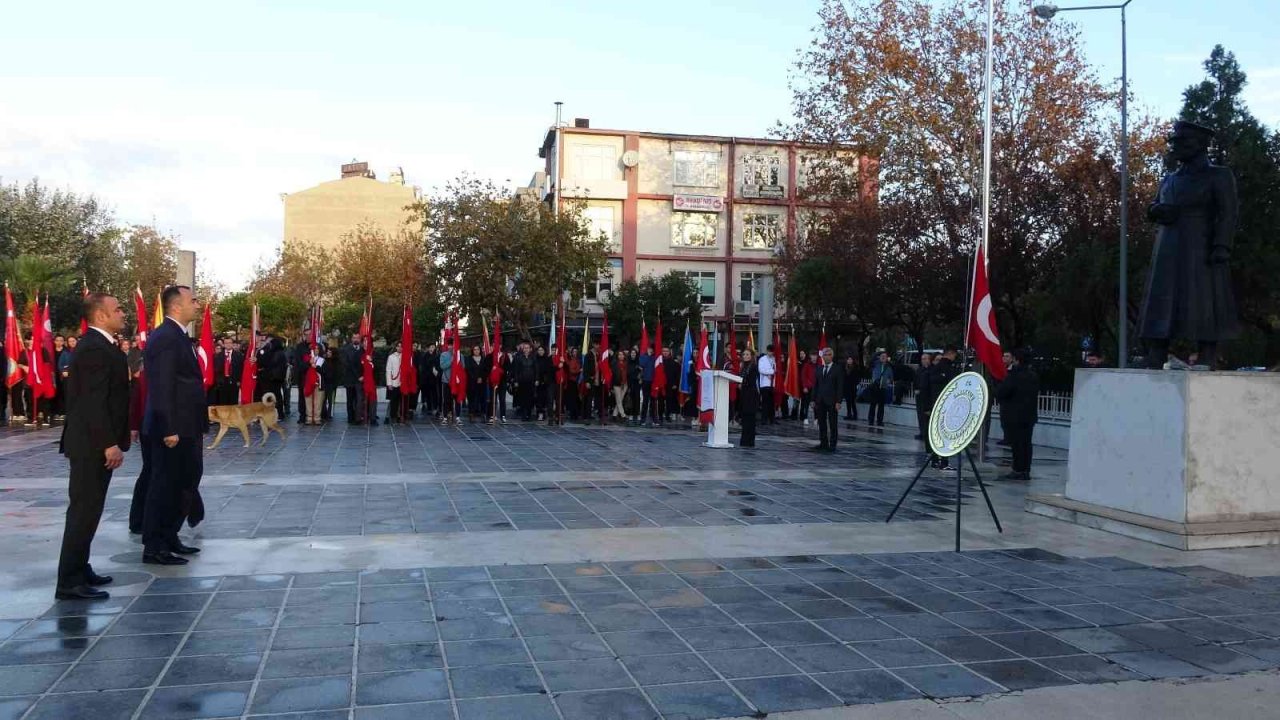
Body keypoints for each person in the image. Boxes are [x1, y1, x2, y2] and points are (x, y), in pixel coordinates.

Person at [54, 292, 130, 600]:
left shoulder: (101, 345)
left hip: (94, 443)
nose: (123, 314)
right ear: (100, 316)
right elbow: (93, 402)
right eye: (118, 309)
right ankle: (69, 581)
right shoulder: (93, 348)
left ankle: (79, 567)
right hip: (90, 445)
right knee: (83, 511)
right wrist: (108, 443)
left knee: (91, 510)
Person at [140, 285, 206, 566]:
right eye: (193, 300)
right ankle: (154, 545)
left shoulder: (178, 336)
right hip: (173, 428)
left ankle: (169, 536)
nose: (198, 305)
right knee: (164, 485)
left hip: (187, 425)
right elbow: (162, 386)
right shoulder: (166, 337)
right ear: (176, 306)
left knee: (185, 481)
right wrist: (169, 428)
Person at [997, 348, 1040, 481]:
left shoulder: (1014, 375)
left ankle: (1018, 469)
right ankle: (1026, 470)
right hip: (1029, 416)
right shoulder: (1033, 375)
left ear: (1016, 359)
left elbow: (1003, 392)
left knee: (1017, 444)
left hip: (1014, 416)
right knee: (1026, 443)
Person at [926, 346, 959, 469]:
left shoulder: (936, 368)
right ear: (950, 354)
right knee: (944, 434)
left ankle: (936, 460)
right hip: (945, 404)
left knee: (937, 433)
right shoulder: (947, 367)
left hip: (936, 403)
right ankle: (943, 461)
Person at [812, 347, 845, 452]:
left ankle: (833, 444)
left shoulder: (837, 369)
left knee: (833, 423)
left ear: (832, 356)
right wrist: (813, 399)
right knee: (821, 423)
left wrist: (838, 401)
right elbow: (815, 385)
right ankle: (823, 443)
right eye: (825, 355)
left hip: (832, 401)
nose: (827, 357)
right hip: (820, 400)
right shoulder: (819, 368)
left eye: (829, 354)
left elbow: (840, 386)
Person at [738, 349, 760, 448]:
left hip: (751, 396)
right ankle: (744, 440)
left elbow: (751, 382)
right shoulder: (743, 367)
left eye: (747, 354)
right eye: (744, 354)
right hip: (744, 395)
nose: (745, 356)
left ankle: (749, 441)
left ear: (751, 356)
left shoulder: (753, 367)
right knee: (745, 418)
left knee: (750, 419)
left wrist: (742, 384)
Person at [212, 336, 243, 406]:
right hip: (222, 382)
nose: (228, 344)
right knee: (223, 402)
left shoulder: (239, 355)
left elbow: (241, 369)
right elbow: (216, 369)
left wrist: (239, 380)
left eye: (230, 343)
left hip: (234, 382)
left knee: (233, 402)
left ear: (232, 344)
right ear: (223, 344)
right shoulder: (218, 355)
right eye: (226, 343)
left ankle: (233, 417)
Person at [866, 351, 892, 429]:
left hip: (883, 387)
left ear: (887, 358)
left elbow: (891, 377)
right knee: (873, 404)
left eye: (885, 356)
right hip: (875, 387)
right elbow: (871, 360)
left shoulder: (889, 367)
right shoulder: (875, 364)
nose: (883, 357)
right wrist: (879, 352)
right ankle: (871, 420)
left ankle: (879, 421)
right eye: (882, 356)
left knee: (881, 406)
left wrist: (889, 381)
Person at [342, 334, 364, 424]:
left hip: (360, 380)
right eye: (354, 338)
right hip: (350, 379)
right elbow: (348, 364)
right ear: (351, 339)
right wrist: (358, 376)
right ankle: (350, 418)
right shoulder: (346, 350)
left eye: (358, 338)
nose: (356, 339)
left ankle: (357, 417)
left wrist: (362, 376)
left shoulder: (363, 350)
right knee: (350, 400)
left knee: (358, 400)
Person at [304, 344, 327, 425]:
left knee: (318, 402)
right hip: (308, 383)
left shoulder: (323, 360)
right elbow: (302, 369)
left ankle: (317, 418)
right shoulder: (307, 359)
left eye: (317, 349)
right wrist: (309, 364)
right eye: (314, 348)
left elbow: (325, 372)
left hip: (319, 383)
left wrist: (316, 367)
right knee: (308, 401)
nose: (316, 350)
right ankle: (309, 418)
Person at [914, 353, 934, 441]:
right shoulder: (919, 370)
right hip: (920, 396)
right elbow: (916, 381)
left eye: (926, 359)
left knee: (927, 415)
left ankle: (927, 433)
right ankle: (922, 432)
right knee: (920, 414)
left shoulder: (932, 370)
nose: (924, 361)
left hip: (928, 396)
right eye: (923, 359)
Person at [757, 345, 776, 424]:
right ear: (767, 351)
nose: (771, 353)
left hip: (772, 384)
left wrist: (772, 372)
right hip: (764, 384)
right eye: (769, 351)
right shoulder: (762, 359)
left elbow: (776, 369)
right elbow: (761, 370)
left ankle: (772, 419)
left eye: (772, 351)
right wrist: (771, 372)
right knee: (765, 402)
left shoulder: (774, 359)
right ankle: (763, 419)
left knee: (772, 402)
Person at [386, 341, 404, 423]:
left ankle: (400, 415)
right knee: (393, 401)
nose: (400, 348)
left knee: (402, 400)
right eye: (398, 346)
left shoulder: (406, 356)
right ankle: (392, 416)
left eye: (401, 346)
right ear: (396, 347)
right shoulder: (391, 357)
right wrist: (389, 383)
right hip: (394, 382)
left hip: (403, 383)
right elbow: (388, 370)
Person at [798, 349, 815, 424]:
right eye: (813, 355)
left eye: (815, 356)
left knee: (815, 403)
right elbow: (803, 376)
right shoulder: (807, 365)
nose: (814, 357)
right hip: (808, 387)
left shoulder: (819, 365)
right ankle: (805, 417)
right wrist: (805, 386)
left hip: (816, 388)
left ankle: (816, 418)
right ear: (810, 356)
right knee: (806, 403)